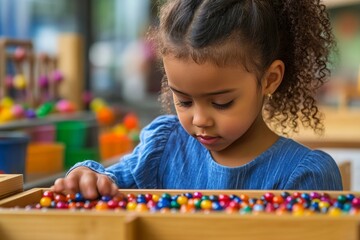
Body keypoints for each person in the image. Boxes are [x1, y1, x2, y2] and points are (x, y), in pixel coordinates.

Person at [52, 0, 343, 199]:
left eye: (221, 103)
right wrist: (87, 174)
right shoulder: (163, 147)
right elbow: (109, 180)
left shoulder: (304, 176)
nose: (199, 120)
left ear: (269, 80)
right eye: (184, 101)